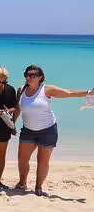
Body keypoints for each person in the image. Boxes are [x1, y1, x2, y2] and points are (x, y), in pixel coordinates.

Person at [15, 65, 93, 196]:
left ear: (40, 77)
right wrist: (11, 123)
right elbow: (18, 108)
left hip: (48, 130)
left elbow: (69, 93)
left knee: (42, 160)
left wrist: (89, 92)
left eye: (32, 75)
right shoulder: (21, 89)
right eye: (27, 75)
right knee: (22, 159)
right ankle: (22, 183)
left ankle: (38, 187)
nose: (29, 77)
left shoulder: (46, 89)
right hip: (28, 130)